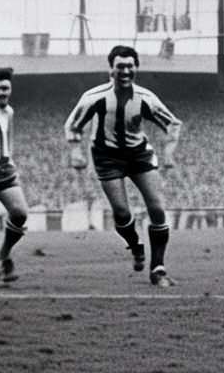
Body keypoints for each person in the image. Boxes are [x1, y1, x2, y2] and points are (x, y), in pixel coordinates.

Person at [64, 45, 182, 288]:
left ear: (136, 68)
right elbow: (72, 125)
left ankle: (158, 269)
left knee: (157, 210)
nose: (126, 70)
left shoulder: (146, 99)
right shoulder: (94, 97)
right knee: (121, 213)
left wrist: (169, 150)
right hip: (107, 157)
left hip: (139, 155)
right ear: (112, 68)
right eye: (120, 66)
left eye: (130, 66)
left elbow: (173, 124)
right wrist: (76, 150)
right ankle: (136, 245)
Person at [0, 68, 29, 283]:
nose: (1, 92)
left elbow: (8, 139)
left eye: (5, 88)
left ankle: (3, 255)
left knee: (19, 213)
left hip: (2, 168)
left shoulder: (9, 112)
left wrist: (11, 160)